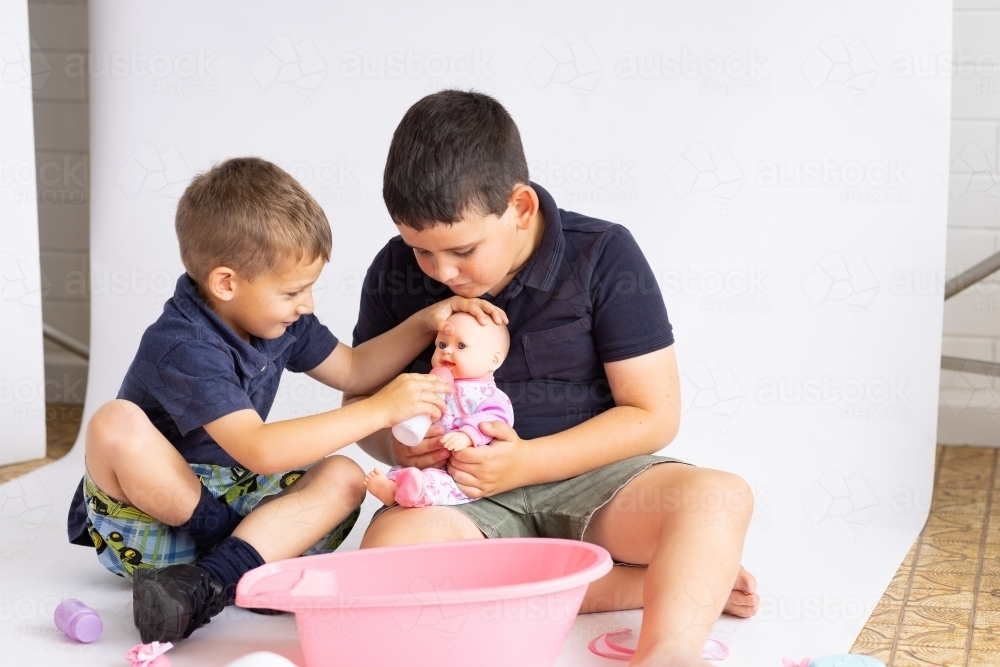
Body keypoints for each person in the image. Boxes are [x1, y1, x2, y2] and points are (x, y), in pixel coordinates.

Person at [345, 91, 759, 667]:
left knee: (719, 496)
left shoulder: (603, 253)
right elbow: (360, 405)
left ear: (519, 206)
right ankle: (638, 584)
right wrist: (402, 449)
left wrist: (527, 463)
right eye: (421, 251)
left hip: (593, 481)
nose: (442, 272)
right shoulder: (395, 269)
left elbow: (653, 414)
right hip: (461, 496)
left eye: (462, 250)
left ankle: (666, 653)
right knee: (389, 555)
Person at [65, 157, 507, 644]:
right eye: (296, 291)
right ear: (227, 283)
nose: (308, 305)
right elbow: (258, 449)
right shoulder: (183, 342)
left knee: (344, 475)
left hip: (235, 500)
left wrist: (427, 321)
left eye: (311, 288)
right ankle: (242, 555)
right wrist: (381, 409)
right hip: (151, 521)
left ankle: (208, 583)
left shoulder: (283, 322)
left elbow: (355, 368)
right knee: (114, 422)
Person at [365, 312, 513, 507]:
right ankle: (393, 488)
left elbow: (494, 420)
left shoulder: (490, 395)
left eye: (461, 346)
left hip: (461, 470)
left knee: (438, 484)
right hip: (427, 460)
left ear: (493, 360)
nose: (446, 351)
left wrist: (468, 435)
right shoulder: (431, 384)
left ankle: (415, 492)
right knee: (403, 471)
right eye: (442, 345)